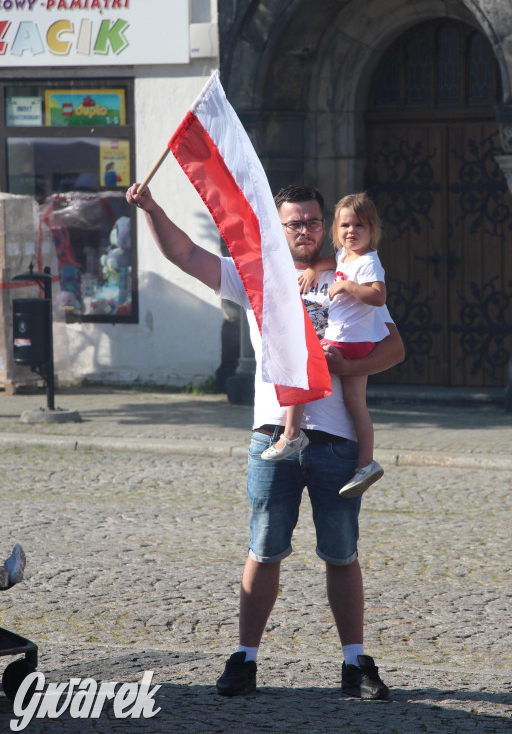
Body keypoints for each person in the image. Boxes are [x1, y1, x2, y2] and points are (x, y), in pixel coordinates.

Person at [126, 182, 404, 700]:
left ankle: (355, 663)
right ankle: (245, 659)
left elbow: (394, 348)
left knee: (342, 554)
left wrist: (349, 366)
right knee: (264, 549)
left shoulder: (348, 273)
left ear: (326, 225)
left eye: (314, 221)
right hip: (274, 435)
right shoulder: (255, 275)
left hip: (336, 438)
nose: (306, 230)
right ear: (279, 229)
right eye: (295, 223)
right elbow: (186, 254)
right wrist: (151, 208)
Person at [261, 192, 387, 499]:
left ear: (372, 230)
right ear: (336, 231)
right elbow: (332, 260)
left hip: (348, 341)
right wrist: (315, 269)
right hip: (353, 340)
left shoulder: (369, 261)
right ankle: (366, 463)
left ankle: (291, 434)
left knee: (303, 357)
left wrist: (347, 286)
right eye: (344, 226)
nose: (350, 231)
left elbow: (379, 296)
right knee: (356, 404)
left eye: (359, 225)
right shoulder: (346, 256)